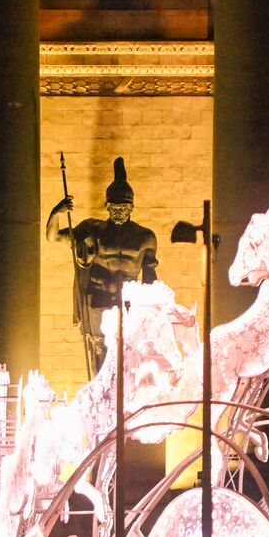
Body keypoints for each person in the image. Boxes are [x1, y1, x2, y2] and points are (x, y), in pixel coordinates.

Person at [46, 157, 160, 376]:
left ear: (131, 207)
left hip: (127, 305)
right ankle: (101, 406)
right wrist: (56, 212)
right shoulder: (92, 230)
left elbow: (150, 280)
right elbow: (53, 237)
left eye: (123, 207)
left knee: (127, 358)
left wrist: (153, 311)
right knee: (99, 357)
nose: (118, 211)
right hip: (97, 302)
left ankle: (122, 406)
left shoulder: (145, 238)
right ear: (107, 206)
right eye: (114, 207)